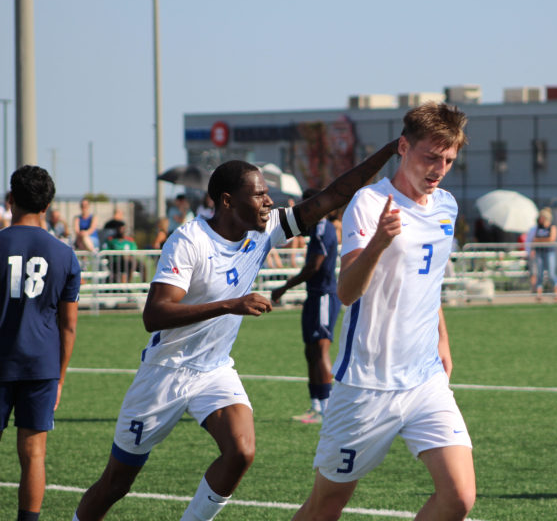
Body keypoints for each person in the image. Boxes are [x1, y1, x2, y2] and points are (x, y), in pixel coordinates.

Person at [72, 140, 398, 521]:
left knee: (241, 451)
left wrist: (390, 150)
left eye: (268, 195)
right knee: (116, 483)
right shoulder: (188, 241)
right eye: (259, 195)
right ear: (227, 201)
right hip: (165, 372)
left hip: (214, 371)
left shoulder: (265, 229)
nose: (269, 202)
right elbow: (155, 315)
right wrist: (231, 304)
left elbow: (331, 196)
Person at [292, 102, 475, 521]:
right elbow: (347, 291)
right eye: (431, 157)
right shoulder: (369, 202)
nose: (439, 168)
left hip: (425, 380)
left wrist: (443, 339)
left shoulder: (446, 206)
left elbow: (429, 284)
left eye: (448, 160)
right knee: (327, 504)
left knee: (459, 496)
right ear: (404, 147)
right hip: (366, 384)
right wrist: (377, 242)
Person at [0, 165, 81, 521]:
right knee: (34, 454)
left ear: (11, 199)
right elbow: (69, 326)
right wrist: (60, 378)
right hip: (41, 366)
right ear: (47, 205)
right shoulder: (65, 255)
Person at [271, 188, 340, 425]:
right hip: (314, 296)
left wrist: (285, 286)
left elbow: (314, 267)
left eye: (306, 204)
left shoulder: (323, 228)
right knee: (310, 351)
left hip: (323, 296)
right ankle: (316, 405)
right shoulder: (317, 229)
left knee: (320, 350)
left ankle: (327, 408)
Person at [528, 207, 557, 301]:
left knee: (551, 274)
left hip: (549, 252)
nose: (540, 219)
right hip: (539, 252)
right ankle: (539, 295)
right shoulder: (538, 228)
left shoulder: (552, 227)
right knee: (539, 274)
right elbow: (534, 240)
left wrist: (539, 240)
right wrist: (538, 243)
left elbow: (551, 239)